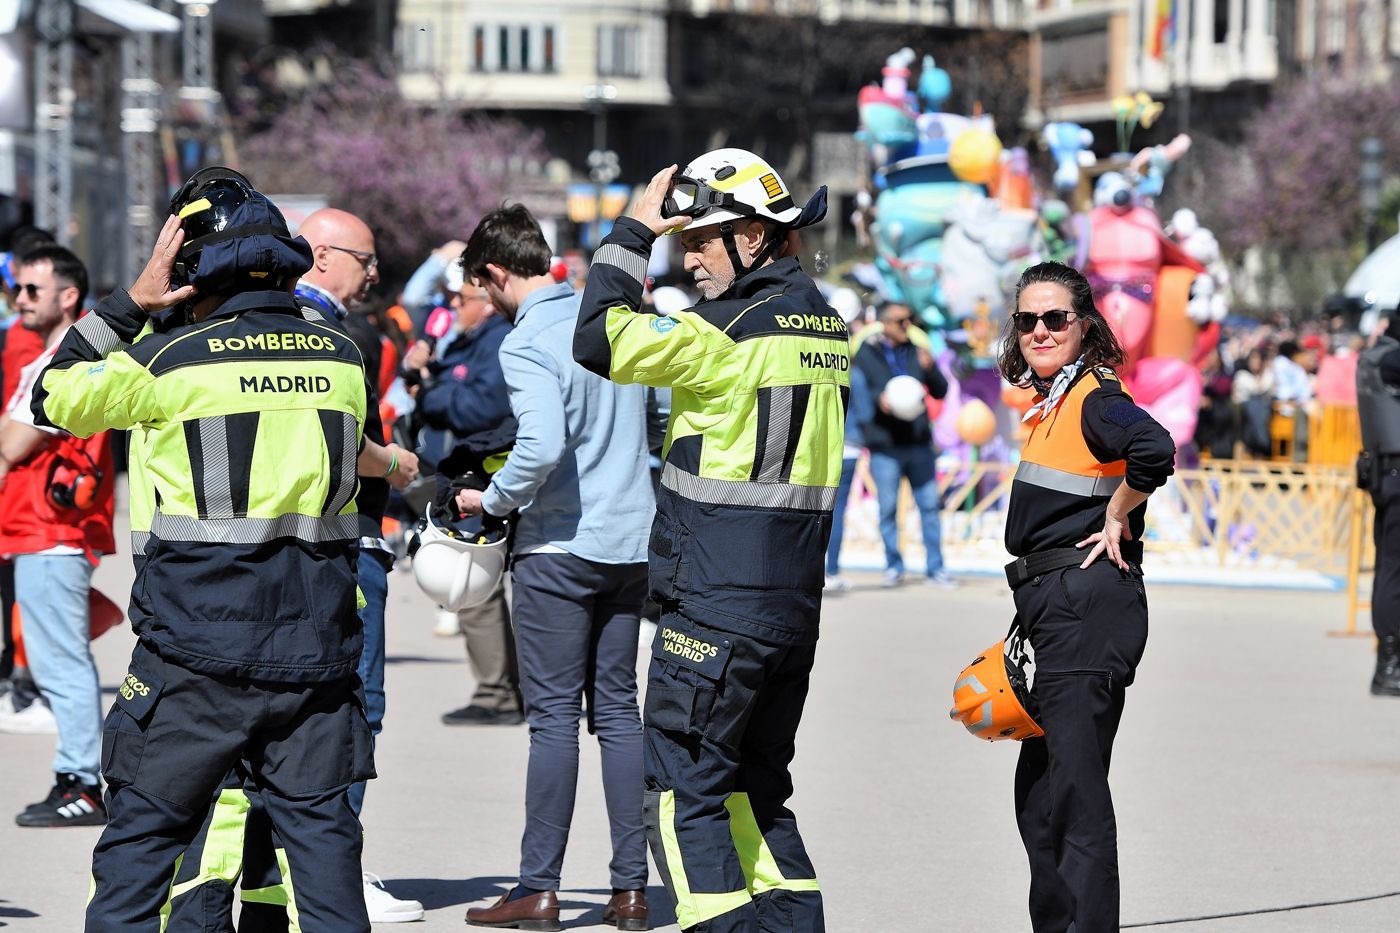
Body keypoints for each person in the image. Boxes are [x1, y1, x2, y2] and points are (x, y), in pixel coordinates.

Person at [36, 169, 374, 931]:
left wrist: (132, 301)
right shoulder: (342, 357)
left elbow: (52, 396)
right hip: (316, 656)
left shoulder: (170, 362)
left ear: (187, 271)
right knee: (323, 863)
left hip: (192, 657)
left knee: (141, 849)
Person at [575, 149, 844, 933]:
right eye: (682, 239)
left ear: (756, 238)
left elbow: (598, 338)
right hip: (790, 611)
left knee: (682, 791)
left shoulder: (718, 331)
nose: (687, 257)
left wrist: (632, 231)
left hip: (715, 609)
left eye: (702, 239)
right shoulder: (827, 326)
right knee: (757, 796)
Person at [453, 205, 657, 931]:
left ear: (496, 273)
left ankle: (538, 886)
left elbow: (538, 446)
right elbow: (660, 414)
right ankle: (630, 889)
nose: (485, 300)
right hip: (630, 540)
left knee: (553, 723)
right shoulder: (612, 318)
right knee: (618, 712)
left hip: (559, 548)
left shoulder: (528, 339)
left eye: (482, 287)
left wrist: (494, 498)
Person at [996, 261, 1174, 933]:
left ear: (1085, 325)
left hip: (1085, 607)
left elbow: (1153, 448)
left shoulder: (1095, 395)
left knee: (1072, 797)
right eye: (1027, 319)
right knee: (1040, 795)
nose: (1040, 330)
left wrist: (1120, 512)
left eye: (1056, 318)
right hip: (1053, 602)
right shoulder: (1056, 398)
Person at [0, 245, 116, 824]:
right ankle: (80, 777)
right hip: (45, 529)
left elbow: (12, 444)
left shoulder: (61, 363)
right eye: (17, 288)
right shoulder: (61, 356)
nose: (18, 299)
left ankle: (82, 783)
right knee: (54, 660)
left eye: (31, 289)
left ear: (68, 296)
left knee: (60, 664)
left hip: (53, 531)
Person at [408, 257, 523, 726]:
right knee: (475, 587)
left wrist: (430, 390)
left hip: (485, 479)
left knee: (475, 585)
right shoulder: (470, 339)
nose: (455, 306)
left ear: (487, 303)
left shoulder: (496, 340)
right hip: (467, 474)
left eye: (464, 299)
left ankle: (498, 694)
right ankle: (501, 688)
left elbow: (478, 405)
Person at [851, 301, 954, 588]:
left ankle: (936, 568)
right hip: (885, 445)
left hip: (919, 443)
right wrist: (877, 400)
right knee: (887, 509)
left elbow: (941, 390)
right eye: (901, 321)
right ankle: (893, 566)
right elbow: (860, 391)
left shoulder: (916, 352)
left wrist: (931, 369)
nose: (907, 326)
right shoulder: (867, 353)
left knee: (930, 507)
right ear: (884, 323)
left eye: (910, 320)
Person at [1357, 315, 1400, 695]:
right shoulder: (1389, 359)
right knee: (1392, 567)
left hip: (1387, 473)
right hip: (1395, 474)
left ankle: (1388, 663)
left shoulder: (1378, 356)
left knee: (1391, 565)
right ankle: (1389, 664)